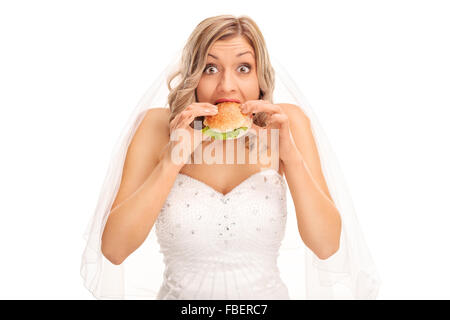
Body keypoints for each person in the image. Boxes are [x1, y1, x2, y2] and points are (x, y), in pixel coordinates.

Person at [81, 14, 381, 300]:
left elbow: (326, 246)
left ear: (260, 78)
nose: (227, 86)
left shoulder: (286, 123)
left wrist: (291, 157)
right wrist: (171, 160)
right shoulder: (157, 126)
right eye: (210, 69)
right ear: (193, 77)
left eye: (243, 68)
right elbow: (114, 250)